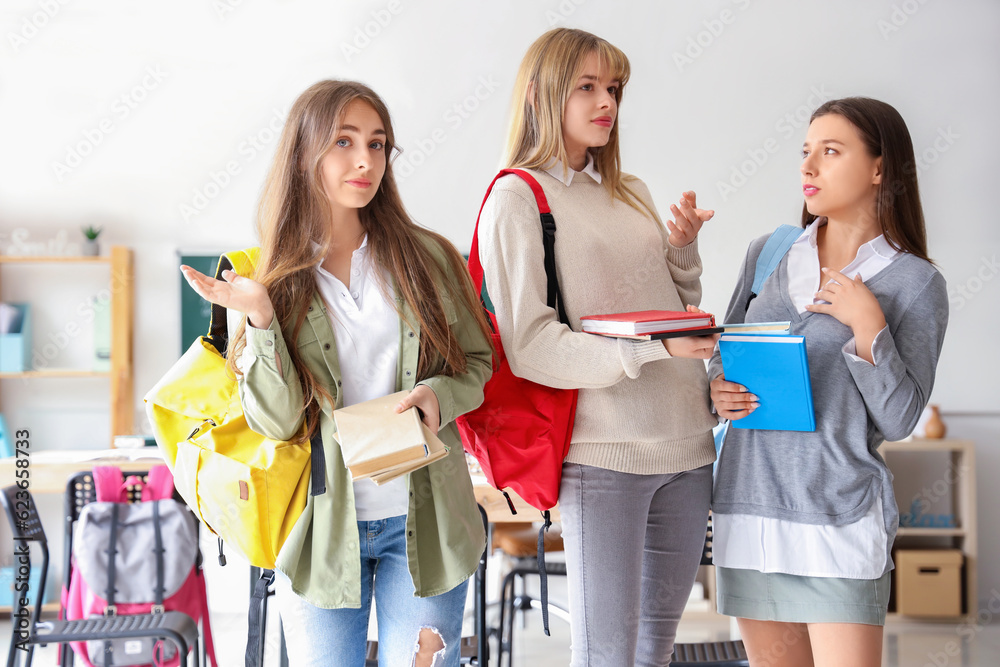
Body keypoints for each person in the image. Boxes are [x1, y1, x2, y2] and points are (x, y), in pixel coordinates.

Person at [179, 80, 492, 667]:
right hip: (321, 530)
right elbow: (274, 423)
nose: (364, 160)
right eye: (343, 142)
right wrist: (263, 319)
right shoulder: (270, 277)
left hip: (426, 524)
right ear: (305, 153)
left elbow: (477, 364)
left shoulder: (430, 258)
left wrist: (437, 395)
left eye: (377, 144)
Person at [477, 27, 721, 665]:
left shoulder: (630, 191)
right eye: (586, 86)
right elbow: (530, 343)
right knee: (607, 656)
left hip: (689, 446)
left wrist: (682, 251)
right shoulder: (517, 196)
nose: (605, 101)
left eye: (612, 87)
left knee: (656, 654)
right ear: (539, 94)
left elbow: (670, 303)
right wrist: (650, 351)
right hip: (603, 455)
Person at [709, 97, 949, 667]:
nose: (808, 167)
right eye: (806, 152)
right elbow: (723, 357)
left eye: (831, 151)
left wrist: (869, 327)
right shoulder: (766, 255)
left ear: (879, 168)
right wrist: (716, 389)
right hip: (750, 509)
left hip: (838, 519)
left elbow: (899, 420)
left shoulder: (915, 284)